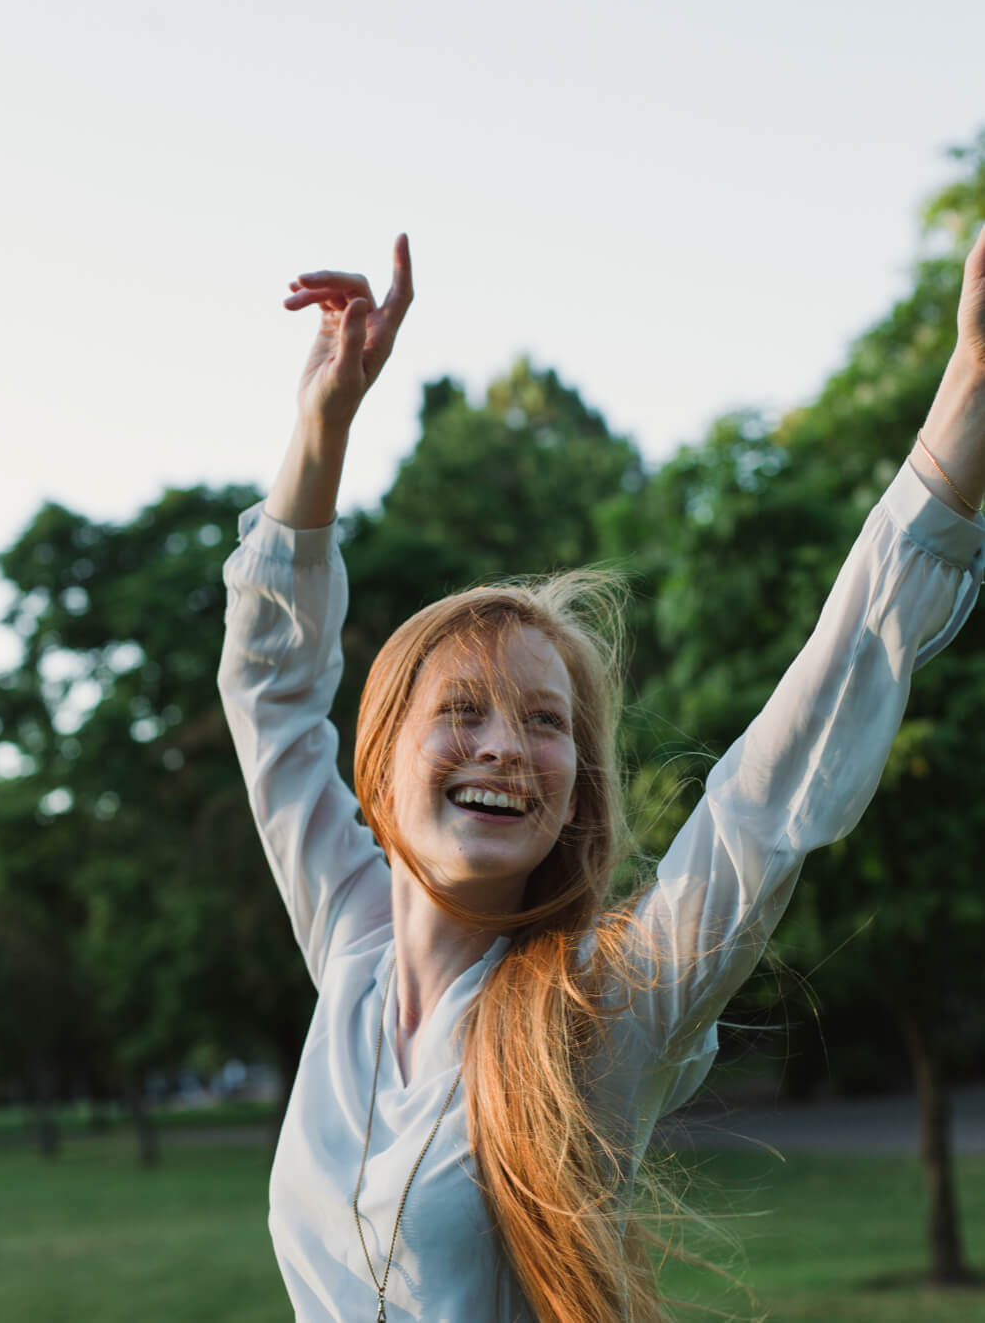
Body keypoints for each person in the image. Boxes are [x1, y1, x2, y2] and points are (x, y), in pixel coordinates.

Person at [217, 230, 985, 1323]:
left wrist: (967, 392)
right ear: (380, 768)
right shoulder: (351, 942)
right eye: (461, 711)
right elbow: (271, 695)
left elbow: (761, 807)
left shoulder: (599, 1008)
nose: (500, 746)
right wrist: (322, 423)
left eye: (544, 723)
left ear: (571, 790)